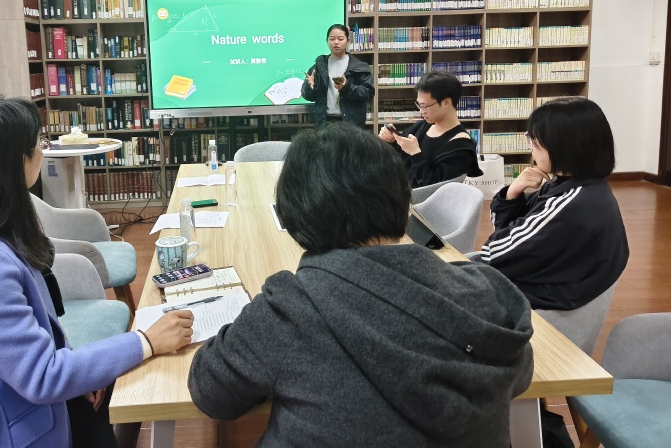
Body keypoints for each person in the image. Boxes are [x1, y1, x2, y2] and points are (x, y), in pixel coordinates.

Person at [188, 123, 534, 447]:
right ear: (401, 198)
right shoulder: (483, 293)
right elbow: (519, 374)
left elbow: (212, 393)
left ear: (294, 214)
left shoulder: (289, 309)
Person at [0, 96, 194, 448]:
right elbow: (42, 376)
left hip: (3, 392)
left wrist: (76, 370)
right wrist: (146, 341)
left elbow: (30, 338)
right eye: (39, 144)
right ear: (18, 162)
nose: (42, 151)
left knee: (110, 390)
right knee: (130, 381)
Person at [480, 97, 629, 311]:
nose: (531, 146)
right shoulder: (574, 185)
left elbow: (494, 253)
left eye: (535, 139)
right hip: (544, 286)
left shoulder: (571, 204)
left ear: (563, 146)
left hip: (540, 304)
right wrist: (512, 193)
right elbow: (507, 238)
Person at [379, 69, 483, 187]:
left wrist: (415, 153)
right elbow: (398, 159)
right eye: (419, 105)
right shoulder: (422, 126)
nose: (421, 111)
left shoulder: (462, 148)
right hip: (396, 189)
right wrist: (392, 141)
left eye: (425, 106)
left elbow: (433, 188)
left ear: (446, 103)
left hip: (417, 197)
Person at [301, 24, 374, 128]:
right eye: (332, 39)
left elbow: (368, 93)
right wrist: (310, 87)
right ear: (327, 41)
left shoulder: (359, 66)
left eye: (340, 39)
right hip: (325, 122)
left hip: (351, 123)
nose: (336, 42)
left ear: (348, 41)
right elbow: (308, 96)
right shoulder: (319, 66)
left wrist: (346, 87)